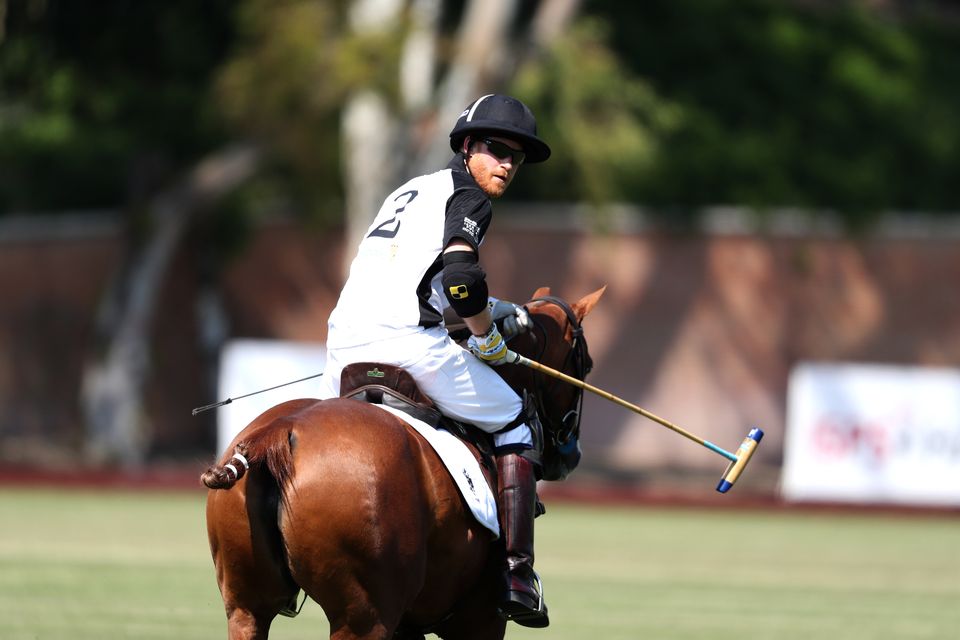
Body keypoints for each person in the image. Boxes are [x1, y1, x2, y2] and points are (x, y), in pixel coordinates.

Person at [317, 94, 552, 628]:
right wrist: (487, 335)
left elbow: (422, 281)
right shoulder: (470, 198)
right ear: (468, 146)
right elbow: (460, 282)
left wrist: (497, 306)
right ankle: (517, 574)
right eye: (497, 150)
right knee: (515, 418)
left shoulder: (410, 189)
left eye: (516, 157)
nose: (508, 164)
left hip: (341, 347)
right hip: (407, 345)